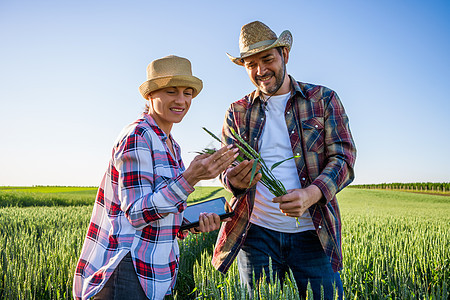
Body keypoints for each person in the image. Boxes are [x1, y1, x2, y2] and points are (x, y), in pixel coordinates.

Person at [73, 55, 238, 300]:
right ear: (150, 95)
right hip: (128, 269)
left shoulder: (172, 145)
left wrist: (191, 223)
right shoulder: (138, 135)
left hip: (156, 274)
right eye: (171, 91)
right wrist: (190, 178)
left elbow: (160, 215)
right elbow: (137, 213)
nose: (181, 100)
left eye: (187, 93)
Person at [212, 21, 357, 299]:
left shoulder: (323, 99)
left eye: (267, 59)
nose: (260, 70)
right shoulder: (237, 111)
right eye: (250, 64)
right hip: (255, 235)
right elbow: (225, 166)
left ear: (285, 56)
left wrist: (311, 194)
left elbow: (344, 158)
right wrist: (233, 179)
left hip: (313, 232)